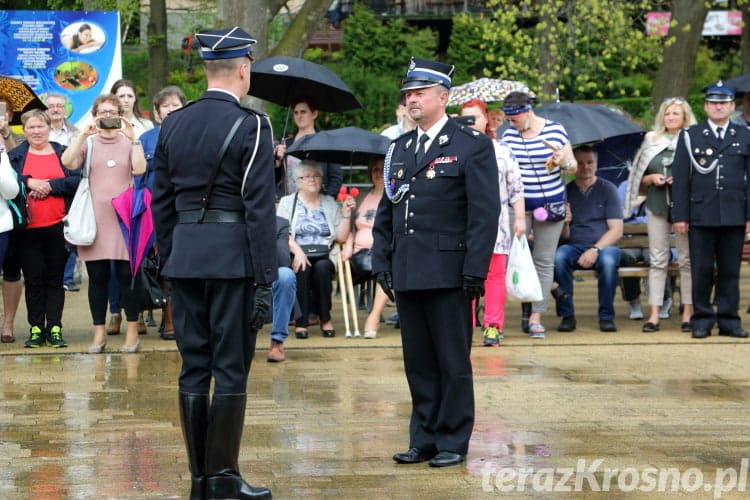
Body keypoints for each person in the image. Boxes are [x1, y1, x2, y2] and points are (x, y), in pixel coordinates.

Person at [151, 26, 276, 499]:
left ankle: (201, 479)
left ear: (207, 70)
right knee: (230, 368)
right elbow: (259, 208)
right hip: (232, 262)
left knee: (193, 367)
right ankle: (222, 477)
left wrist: (170, 253)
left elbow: (160, 200)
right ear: (244, 70)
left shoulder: (172, 124)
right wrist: (265, 276)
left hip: (184, 258)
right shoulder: (253, 125)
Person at [372, 57, 500, 467]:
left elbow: (484, 213)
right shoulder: (400, 147)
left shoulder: (470, 145)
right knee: (419, 363)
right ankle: (423, 436)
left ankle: (451, 440)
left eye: (420, 92)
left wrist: (474, 270)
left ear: (443, 98)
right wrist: (382, 261)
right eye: (408, 93)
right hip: (409, 268)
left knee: (452, 362)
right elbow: (387, 212)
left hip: (449, 270)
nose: (411, 99)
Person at [60, 94, 147, 353]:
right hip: (94, 218)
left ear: (121, 114)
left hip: (124, 217)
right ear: (95, 114)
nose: (107, 115)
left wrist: (134, 141)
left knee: (126, 275)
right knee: (97, 276)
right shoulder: (89, 143)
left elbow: (140, 170)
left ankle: (132, 330)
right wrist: (81, 135)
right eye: (102, 112)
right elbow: (67, 162)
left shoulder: (129, 140)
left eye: (112, 111)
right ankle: (99, 332)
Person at [672, 80, 750, 340]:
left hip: (734, 214)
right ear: (705, 106)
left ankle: (729, 320)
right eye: (714, 103)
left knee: (730, 270)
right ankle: (702, 319)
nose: (719, 107)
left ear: (732, 107)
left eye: (724, 103)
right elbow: (681, 179)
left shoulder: (744, 135)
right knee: (702, 269)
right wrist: (680, 216)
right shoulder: (690, 135)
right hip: (701, 215)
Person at [501, 91, 577, 339]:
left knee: (544, 261)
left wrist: (562, 161)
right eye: (508, 120)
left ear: (527, 112)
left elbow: (573, 166)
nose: (511, 124)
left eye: (514, 119)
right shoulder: (509, 135)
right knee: (511, 257)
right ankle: (542, 294)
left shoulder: (555, 130)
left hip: (550, 203)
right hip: (518, 206)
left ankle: (536, 316)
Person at [8, 109, 80, 348]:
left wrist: (50, 185)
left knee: (55, 278)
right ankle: (36, 328)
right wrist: (29, 182)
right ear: (24, 130)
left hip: (58, 226)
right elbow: (9, 180)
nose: (36, 131)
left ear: (49, 127)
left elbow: (77, 180)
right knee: (34, 279)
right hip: (27, 229)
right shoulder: (16, 155)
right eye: (31, 127)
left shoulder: (62, 152)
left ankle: (55, 328)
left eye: (41, 126)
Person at [624, 97, 697, 332]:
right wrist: (652, 179)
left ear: (685, 116)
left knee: (686, 260)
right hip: (656, 204)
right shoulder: (651, 140)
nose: (671, 117)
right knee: (658, 260)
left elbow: (702, 173)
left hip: (685, 207)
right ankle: (654, 313)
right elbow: (638, 179)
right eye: (668, 114)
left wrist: (685, 181)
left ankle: (688, 311)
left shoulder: (693, 139)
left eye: (676, 113)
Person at [459, 99, 525, 345]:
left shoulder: (501, 150)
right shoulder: (453, 150)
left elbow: (516, 188)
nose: (471, 123)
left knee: (495, 275)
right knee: (464, 275)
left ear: (486, 119)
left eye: (475, 117)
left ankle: (493, 325)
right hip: (461, 225)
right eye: (465, 118)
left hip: (495, 225)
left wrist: (519, 217)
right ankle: (464, 324)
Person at [277, 160, 354, 339]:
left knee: (322, 268)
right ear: (297, 181)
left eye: (317, 176)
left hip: (325, 253)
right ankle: (301, 321)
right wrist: (298, 252)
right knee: (303, 267)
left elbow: (341, 237)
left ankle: (325, 318)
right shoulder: (287, 202)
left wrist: (346, 214)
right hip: (296, 252)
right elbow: (282, 232)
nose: (313, 179)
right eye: (308, 176)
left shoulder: (330, 203)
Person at [553, 145, 623, 332]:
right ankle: (567, 316)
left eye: (590, 162)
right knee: (559, 257)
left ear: (597, 164)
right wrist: (565, 223)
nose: (585, 167)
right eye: (580, 163)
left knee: (608, 262)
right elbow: (563, 237)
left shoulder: (608, 189)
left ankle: (606, 316)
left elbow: (616, 230)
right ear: (573, 165)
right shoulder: (565, 191)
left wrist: (595, 249)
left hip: (604, 247)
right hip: (574, 245)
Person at [140, 86, 187, 341]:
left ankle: (176, 317)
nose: (170, 109)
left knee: (179, 263)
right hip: (154, 209)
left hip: (183, 208)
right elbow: (139, 176)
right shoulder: (146, 139)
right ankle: (164, 314)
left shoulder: (194, 134)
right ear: (157, 113)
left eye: (175, 105)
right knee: (157, 263)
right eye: (165, 106)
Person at [107, 79, 155, 335]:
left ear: (135, 99)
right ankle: (115, 312)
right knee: (115, 261)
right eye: (120, 95)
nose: (125, 100)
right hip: (113, 198)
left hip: (138, 197)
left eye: (129, 95)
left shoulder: (145, 127)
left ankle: (140, 310)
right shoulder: (104, 125)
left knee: (139, 258)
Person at [341, 157, 390, 339]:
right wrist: (347, 243)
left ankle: (374, 316)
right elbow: (351, 228)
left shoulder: (395, 197)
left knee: (388, 264)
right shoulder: (361, 196)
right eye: (375, 170)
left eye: (382, 169)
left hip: (385, 252)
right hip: (359, 254)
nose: (379, 173)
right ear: (370, 173)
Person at [44, 92, 82, 292]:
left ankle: (67, 278)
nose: (56, 109)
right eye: (52, 106)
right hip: (40, 191)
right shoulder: (38, 130)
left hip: (68, 188)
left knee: (69, 234)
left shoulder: (76, 133)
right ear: (46, 109)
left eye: (60, 105)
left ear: (65, 109)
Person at [273, 98, 342, 198]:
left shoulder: (327, 143)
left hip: (317, 205)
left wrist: (325, 202)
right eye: (296, 113)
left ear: (314, 114)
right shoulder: (286, 143)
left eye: (303, 112)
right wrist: (277, 162)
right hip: (288, 205)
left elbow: (336, 179)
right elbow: (274, 178)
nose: (299, 116)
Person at [267, 215, 296, 362]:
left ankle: (277, 342)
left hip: (268, 273)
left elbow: (283, 260)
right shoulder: (234, 218)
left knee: (286, 275)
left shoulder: (280, 223)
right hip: (240, 272)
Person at [0, 151, 20, 343]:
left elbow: (11, 192)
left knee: (11, 274)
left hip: (1, 226)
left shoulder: (1, 155)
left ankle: (7, 325)